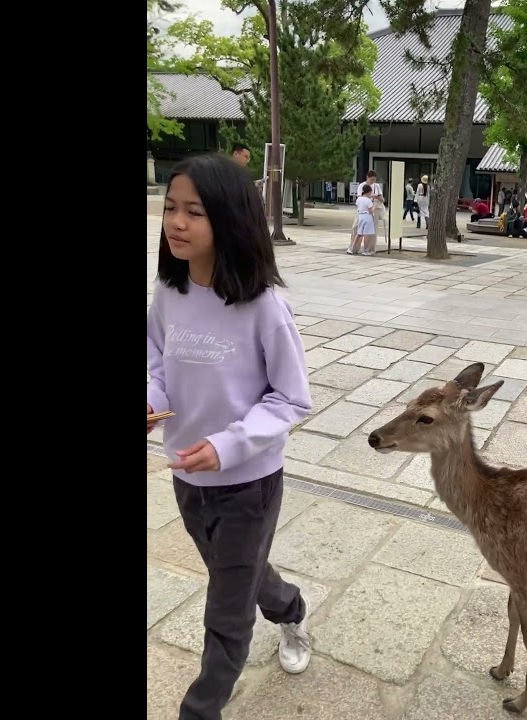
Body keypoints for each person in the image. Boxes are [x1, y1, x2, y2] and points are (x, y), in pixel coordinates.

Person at [146, 153, 313, 720]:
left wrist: (229, 445)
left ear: (229, 219)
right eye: (171, 208)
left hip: (248, 485)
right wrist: (154, 400)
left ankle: (200, 710)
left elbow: (292, 398)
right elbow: (157, 362)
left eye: (194, 211)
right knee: (238, 576)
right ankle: (290, 608)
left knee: (226, 611)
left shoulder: (264, 307)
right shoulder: (169, 293)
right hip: (187, 479)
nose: (176, 222)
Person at [348, 183, 376, 255]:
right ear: (368, 192)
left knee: (359, 233)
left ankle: (351, 248)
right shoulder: (368, 200)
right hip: (367, 216)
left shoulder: (359, 199)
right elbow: (370, 211)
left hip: (360, 216)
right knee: (367, 234)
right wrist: (374, 208)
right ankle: (366, 250)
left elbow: (358, 206)